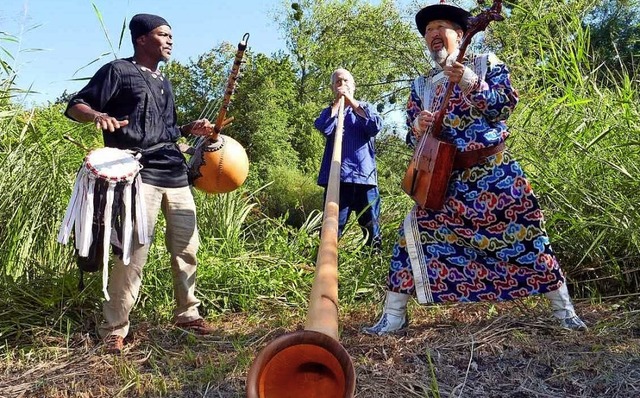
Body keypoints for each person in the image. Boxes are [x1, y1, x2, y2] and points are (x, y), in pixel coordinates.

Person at [363, 3, 587, 335]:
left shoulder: (486, 63)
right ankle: (393, 316)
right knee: (410, 235)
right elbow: (417, 145)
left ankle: (564, 312)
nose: (434, 35)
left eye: (441, 27)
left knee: (530, 238)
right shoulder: (422, 86)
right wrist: (417, 128)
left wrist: (470, 82)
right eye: (428, 31)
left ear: (461, 33)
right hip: (444, 183)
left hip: (494, 176)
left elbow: (505, 105)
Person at [65, 13, 216, 353]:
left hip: (174, 173)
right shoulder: (118, 70)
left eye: (171, 35)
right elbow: (76, 105)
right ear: (142, 39)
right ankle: (114, 328)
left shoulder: (164, 82)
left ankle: (188, 314)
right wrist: (98, 116)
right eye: (163, 35)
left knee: (187, 247)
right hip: (138, 173)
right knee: (133, 252)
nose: (170, 41)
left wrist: (188, 129)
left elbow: (165, 130)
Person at [314, 68, 384, 249]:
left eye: (345, 81)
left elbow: (374, 126)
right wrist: (337, 104)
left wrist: (351, 102)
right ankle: (324, 272)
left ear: (353, 86)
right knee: (331, 230)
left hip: (365, 179)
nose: (342, 85)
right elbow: (323, 127)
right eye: (337, 82)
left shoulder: (365, 108)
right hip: (337, 180)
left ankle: (372, 266)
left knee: (372, 231)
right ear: (332, 88)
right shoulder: (331, 111)